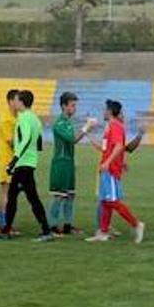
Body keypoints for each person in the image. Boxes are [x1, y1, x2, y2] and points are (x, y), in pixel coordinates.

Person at [86, 99, 146, 244]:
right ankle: (103, 232)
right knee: (105, 201)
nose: (103, 112)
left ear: (110, 111)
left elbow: (119, 146)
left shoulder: (115, 126)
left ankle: (137, 224)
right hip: (106, 169)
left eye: (105, 109)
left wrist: (108, 162)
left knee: (112, 201)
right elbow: (106, 148)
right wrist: (88, 135)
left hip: (110, 170)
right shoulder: (110, 127)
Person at [1, 89, 53, 241]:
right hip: (29, 163)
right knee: (22, 197)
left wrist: (13, 161)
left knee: (22, 198)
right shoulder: (35, 118)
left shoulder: (23, 118)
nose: (14, 103)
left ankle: (45, 231)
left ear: (22, 102)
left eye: (16, 100)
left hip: (22, 164)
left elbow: (26, 140)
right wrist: (33, 153)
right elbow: (38, 142)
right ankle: (7, 229)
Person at [48, 91, 96, 236]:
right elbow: (72, 139)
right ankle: (53, 227)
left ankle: (68, 226)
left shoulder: (67, 122)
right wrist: (86, 127)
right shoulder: (60, 123)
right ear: (64, 106)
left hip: (68, 163)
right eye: (72, 105)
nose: (75, 108)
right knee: (58, 195)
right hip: (61, 164)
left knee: (70, 195)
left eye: (75, 105)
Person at [0, 89, 19, 234]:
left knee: (10, 193)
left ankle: (2, 223)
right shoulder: (6, 119)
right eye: (17, 100)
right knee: (7, 192)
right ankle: (2, 224)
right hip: (6, 160)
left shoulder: (16, 117)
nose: (19, 102)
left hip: (12, 160)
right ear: (10, 101)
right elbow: (11, 142)